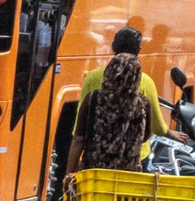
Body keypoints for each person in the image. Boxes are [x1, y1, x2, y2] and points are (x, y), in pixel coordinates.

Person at [78, 26, 171, 150]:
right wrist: (171, 134)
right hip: (135, 157)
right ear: (139, 50)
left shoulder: (92, 78)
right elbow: (156, 128)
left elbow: (79, 130)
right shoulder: (146, 82)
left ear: (113, 46)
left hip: (97, 154)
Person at [71, 47, 150, 176]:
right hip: (129, 176)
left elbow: (79, 139)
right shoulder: (143, 104)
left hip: (94, 174)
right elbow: (145, 136)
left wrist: (69, 171)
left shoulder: (93, 99)